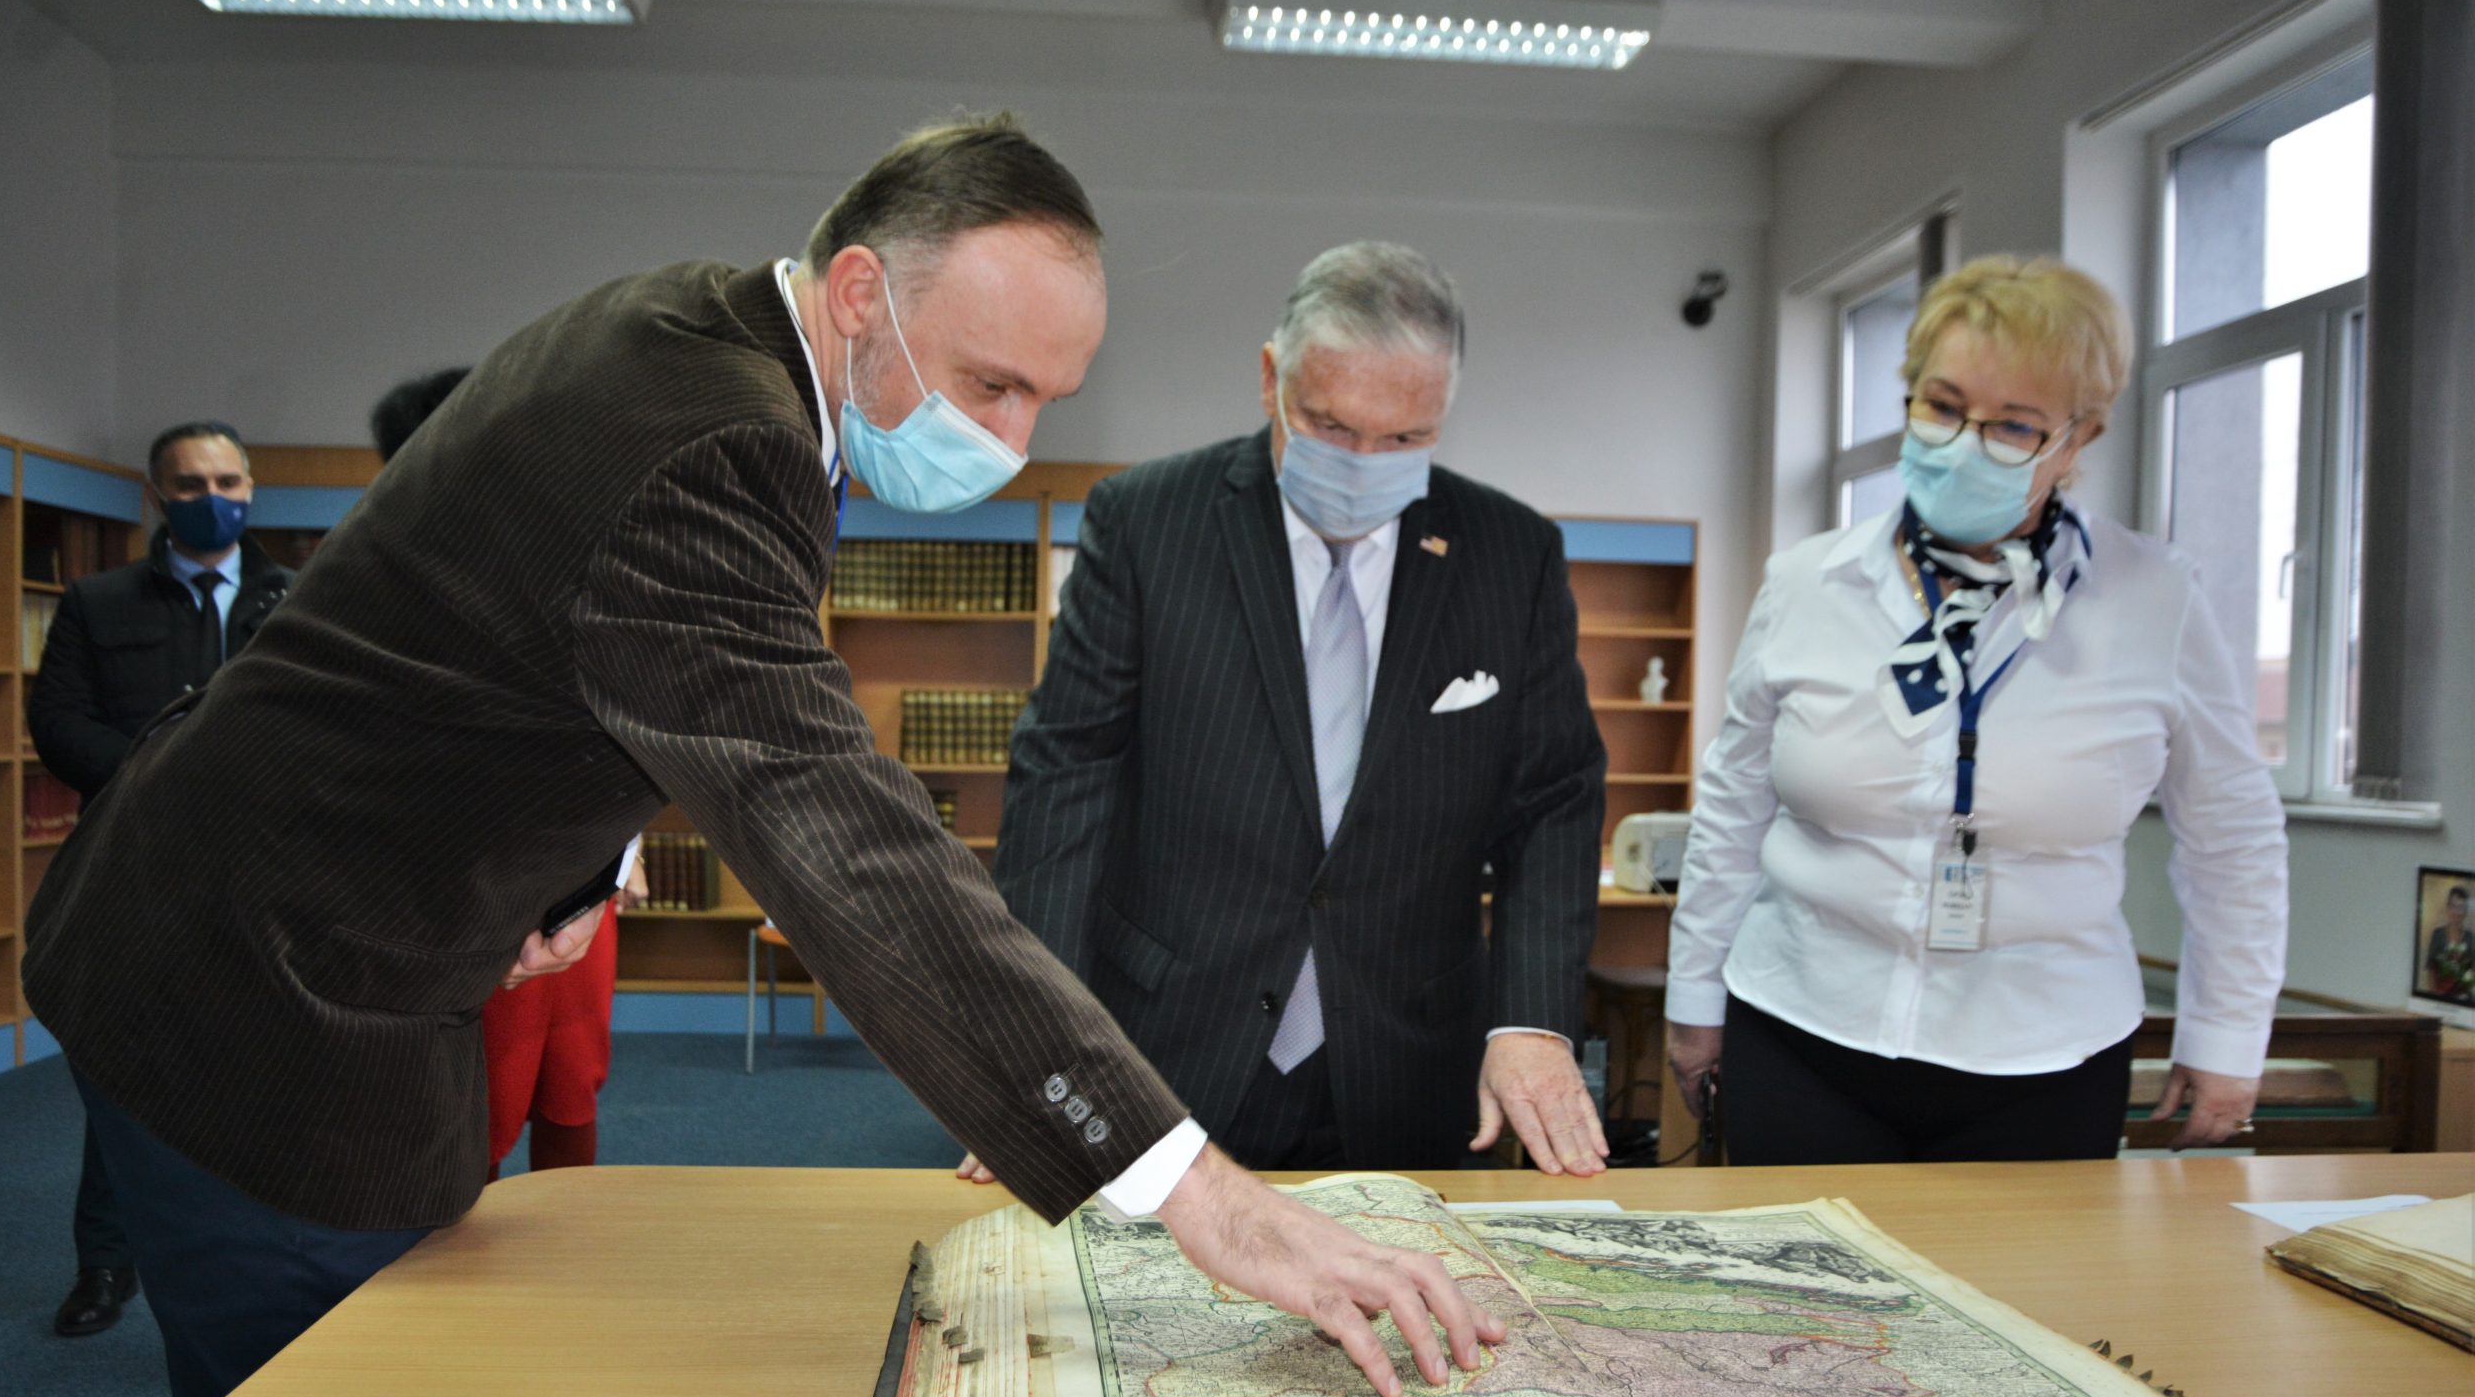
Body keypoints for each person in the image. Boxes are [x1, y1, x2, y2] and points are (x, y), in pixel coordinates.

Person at [22, 115, 1498, 1397]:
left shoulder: (683, 321)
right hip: (254, 999)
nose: (1010, 436)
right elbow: (853, 849)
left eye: (1045, 396)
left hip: (304, 930)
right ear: (862, 290)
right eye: (989, 383)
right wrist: (1205, 1195)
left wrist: (575, 867)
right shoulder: (719, 446)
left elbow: (519, 633)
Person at [986, 241, 1608, 1181]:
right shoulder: (1147, 523)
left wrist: (1530, 1019)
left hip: (1412, 1057)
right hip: (1169, 1042)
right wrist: (1034, 1040)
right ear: (1272, 376)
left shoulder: (1510, 555)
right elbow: (1065, 775)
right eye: (1329, 425)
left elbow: (1555, 801)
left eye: (1404, 439)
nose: (1364, 462)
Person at [1664, 254, 2288, 1163]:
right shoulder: (1809, 582)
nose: (1964, 444)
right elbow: (1731, 804)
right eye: (1944, 407)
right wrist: (1693, 1001)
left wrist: (2226, 1039)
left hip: (2048, 1051)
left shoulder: (2158, 600)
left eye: (2015, 428)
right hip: (1804, 1024)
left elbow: (2232, 834)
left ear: (2078, 441)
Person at [26, 421, 294, 1339]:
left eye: (225, 478)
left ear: (252, 488)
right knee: (126, 1069)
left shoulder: (301, 598)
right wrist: (159, 777)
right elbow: (57, 722)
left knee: (269, 1072)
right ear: (155, 497)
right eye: (188, 483)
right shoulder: (96, 603)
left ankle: (258, 1254)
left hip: (262, 875)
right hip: (133, 870)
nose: (210, 495)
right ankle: (106, 1263)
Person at [370, 367, 648, 1178]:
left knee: (572, 1083)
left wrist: (620, 860)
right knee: (475, 1100)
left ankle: (568, 1250)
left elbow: (628, 721)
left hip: (574, 878)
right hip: (458, 888)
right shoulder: (388, 582)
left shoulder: (577, 560)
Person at [2427, 885, 2473, 1005]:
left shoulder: (2470, 938)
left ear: (2465, 911)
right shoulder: (2438, 935)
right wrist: (2435, 999)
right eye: (2454, 906)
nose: (2457, 912)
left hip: (2463, 1002)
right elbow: (2431, 970)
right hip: (2439, 1000)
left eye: (2461, 907)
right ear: (2448, 908)